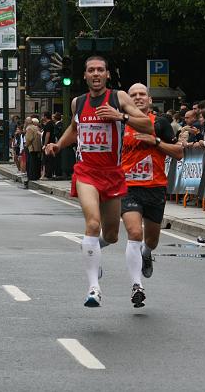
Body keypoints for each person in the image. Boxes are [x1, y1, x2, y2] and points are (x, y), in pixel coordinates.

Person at [44, 56, 152, 308]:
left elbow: (146, 124)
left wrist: (120, 117)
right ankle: (94, 288)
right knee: (92, 223)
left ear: (107, 75)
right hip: (86, 172)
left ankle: (93, 252)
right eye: (91, 70)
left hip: (112, 173)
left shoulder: (119, 98)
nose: (95, 74)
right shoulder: (78, 102)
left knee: (112, 235)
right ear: (85, 75)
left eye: (100, 70)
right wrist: (58, 145)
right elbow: (74, 128)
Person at [118, 83, 184, 306]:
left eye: (141, 94)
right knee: (135, 232)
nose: (137, 98)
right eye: (133, 95)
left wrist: (155, 142)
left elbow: (179, 153)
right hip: (129, 187)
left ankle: (146, 254)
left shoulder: (161, 123)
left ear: (149, 99)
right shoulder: (119, 124)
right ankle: (137, 286)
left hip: (155, 188)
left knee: (151, 240)